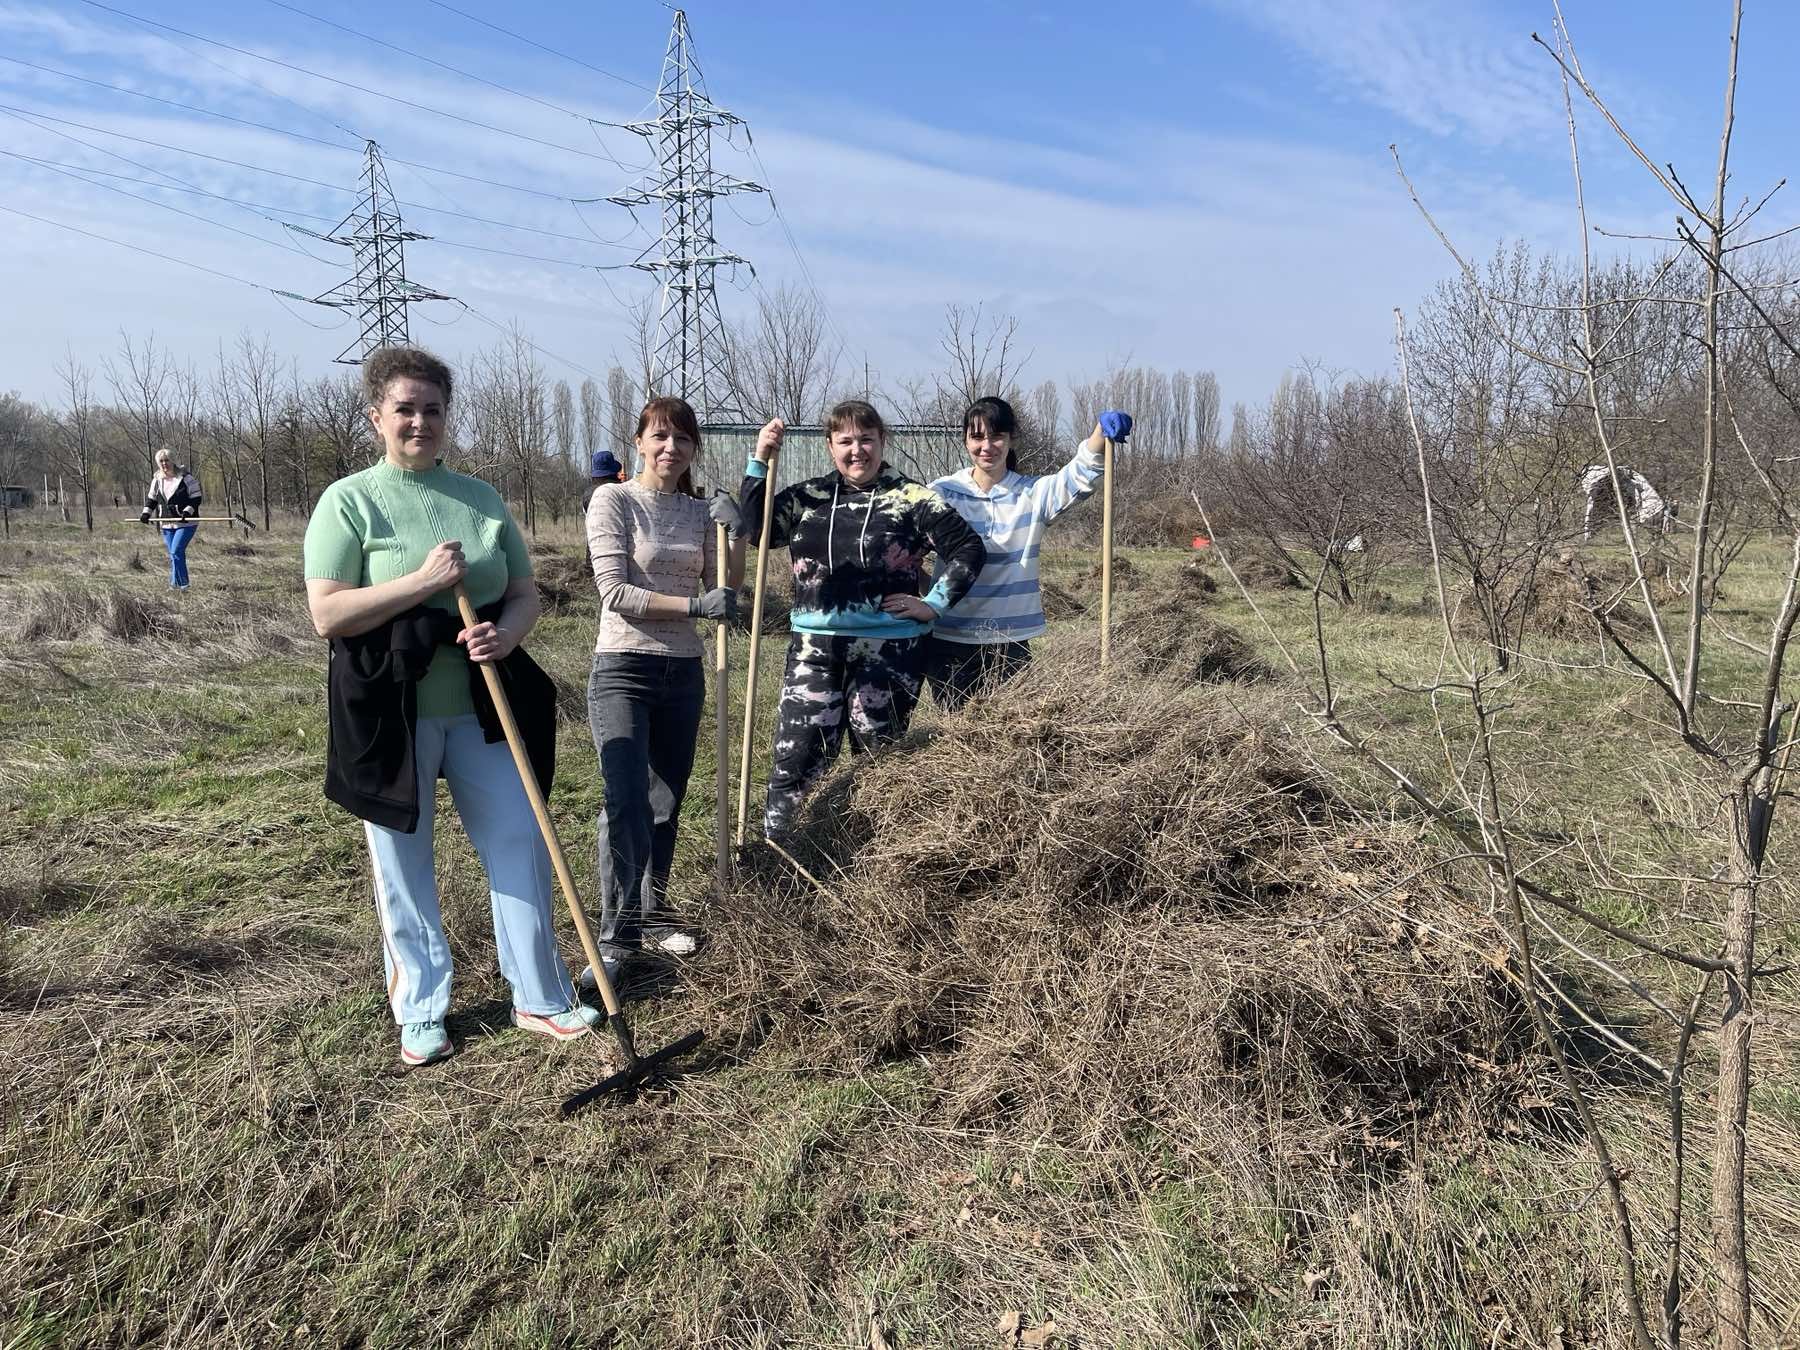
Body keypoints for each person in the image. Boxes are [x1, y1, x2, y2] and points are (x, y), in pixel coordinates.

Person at [302, 345, 597, 1068]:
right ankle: (421, 1010)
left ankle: (540, 996)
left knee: (520, 840)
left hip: (480, 705)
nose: (420, 422)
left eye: (432, 409)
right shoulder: (348, 500)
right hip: (389, 710)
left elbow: (522, 592)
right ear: (376, 416)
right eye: (404, 409)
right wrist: (423, 582)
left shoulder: (481, 498)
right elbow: (328, 613)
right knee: (402, 864)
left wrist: (507, 635)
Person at [739, 399, 986, 840]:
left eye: (867, 439)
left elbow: (968, 548)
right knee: (795, 762)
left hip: (888, 654)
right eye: (846, 441)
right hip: (814, 651)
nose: (857, 450)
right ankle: (780, 856)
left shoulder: (912, 498)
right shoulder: (808, 497)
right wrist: (759, 460)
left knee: (879, 763)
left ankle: (872, 857)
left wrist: (933, 603)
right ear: (830, 446)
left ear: (882, 442)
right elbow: (755, 529)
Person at [585, 397, 743, 980]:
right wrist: (693, 607)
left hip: (683, 671)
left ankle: (653, 913)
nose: (670, 447)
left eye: (682, 438)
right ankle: (616, 937)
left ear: (694, 448)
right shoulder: (614, 500)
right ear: (639, 443)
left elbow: (726, 588)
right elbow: (615, 591)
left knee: (664, 801)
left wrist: (735, 532)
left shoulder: (700, 512)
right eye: (659, 436)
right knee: (625, 799)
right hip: (623, 668)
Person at [927, 400, 1133, 709]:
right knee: (953, 730)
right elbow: (902, 547)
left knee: (1012, 730)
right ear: (965, 440)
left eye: (997, 436)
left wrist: (1099, 433)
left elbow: (1078, 475)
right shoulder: (942, 493)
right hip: (950, 640)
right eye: (977, 437)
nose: (987, 446)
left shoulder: (1032, 494)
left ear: (1012, 439)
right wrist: (924, 596)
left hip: (1011, 642)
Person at [140, 448, 203, 590]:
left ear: (172, 461)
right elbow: (152, 499)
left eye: (167, 460)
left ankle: (183, 585)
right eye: (161, 461)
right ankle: (175, 585)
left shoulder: (186, 478)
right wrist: (146, 513)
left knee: (176, 552)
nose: (164, 464)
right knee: (174, 555)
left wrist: (187, 511)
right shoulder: (157, 479)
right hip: (167, 523)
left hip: (186, 523)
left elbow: (196, 498)